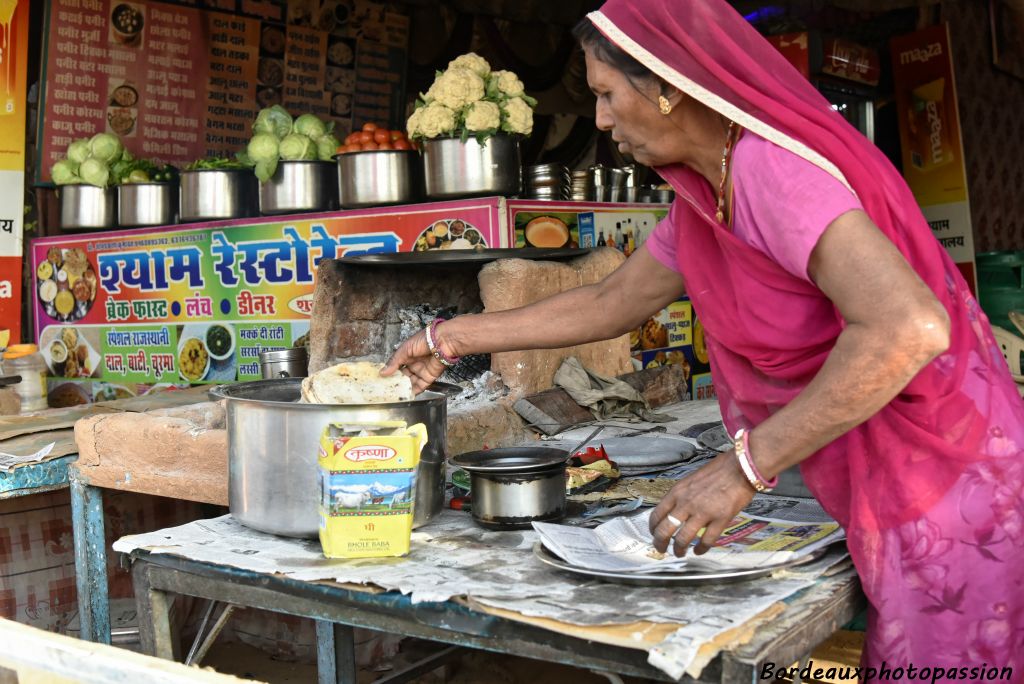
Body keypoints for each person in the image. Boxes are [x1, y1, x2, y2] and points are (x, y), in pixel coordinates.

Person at [383, 0, 1024, 676]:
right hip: (891, 478)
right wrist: (450, 337)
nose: (599, 119)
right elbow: (613, 301)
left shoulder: (770, 173)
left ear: (665, 85)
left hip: (947, 486)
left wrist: (743, 469)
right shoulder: (704, 194)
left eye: (605, 93)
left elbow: (908, 328)